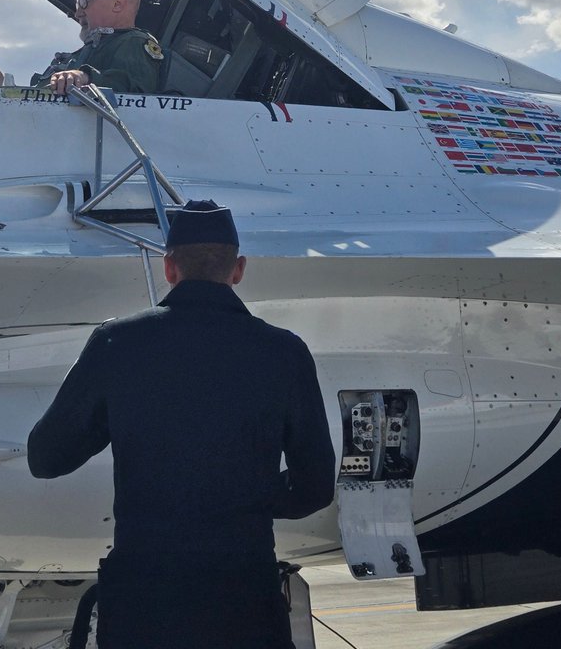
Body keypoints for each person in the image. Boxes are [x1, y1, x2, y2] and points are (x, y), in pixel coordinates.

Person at [27, 200, 336, 649]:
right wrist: (247, 495)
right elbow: (316, 488)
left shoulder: (118, 342)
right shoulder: (283, 352)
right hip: (243, 599)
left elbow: (46, 458)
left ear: (169, 267)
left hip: (145, 603)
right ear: (239, 269)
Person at [0, 0, 163, 96]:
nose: (78, 12)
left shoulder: (135, 43)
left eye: (84, 2)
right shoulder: (80, 55)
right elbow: (40, 99)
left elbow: (133, 90)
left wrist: (85, 77)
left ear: (118, 3)